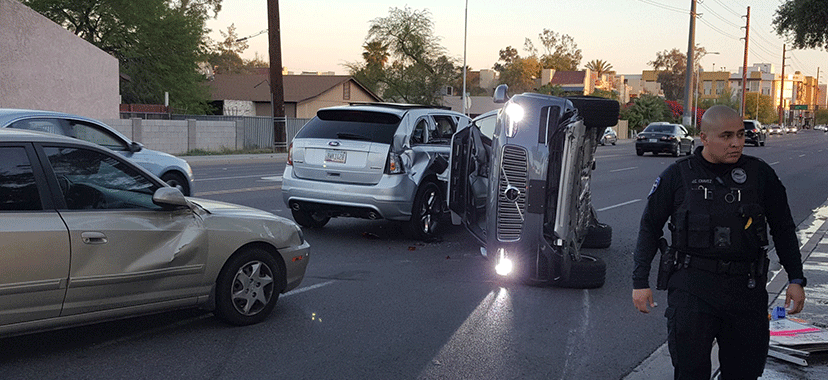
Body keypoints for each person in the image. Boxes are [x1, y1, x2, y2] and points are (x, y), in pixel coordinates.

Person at [631, 105, 807, 379]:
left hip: (745, 292)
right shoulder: (678, 175)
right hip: (693, 290)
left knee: (744, 373)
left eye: (739, 134)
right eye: (726, 136)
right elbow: (649, 227)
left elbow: (783, 229)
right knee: (691, 372)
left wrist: (795, 278)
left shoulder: (760, 175)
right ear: (704, 137)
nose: (736, 142)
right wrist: (639, 282)